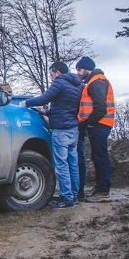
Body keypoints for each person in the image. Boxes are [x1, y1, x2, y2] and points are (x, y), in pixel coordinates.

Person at [19, 62, 83, 209]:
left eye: (51, 74)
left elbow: (44, 98)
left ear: (57, 72)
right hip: (73, 128)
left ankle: (66, 199)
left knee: (62, 165)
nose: (52, 77)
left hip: (60, 129)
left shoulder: (60, 83)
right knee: (73, 164)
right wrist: (46, 112)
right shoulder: (77, 85)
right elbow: (64, 107)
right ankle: (74, 195)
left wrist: (26, 103)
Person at [76, 56, 115, 203]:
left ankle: (103, 191)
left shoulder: (97, 81)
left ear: (86, 68)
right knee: (98, 156)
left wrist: (90, 123)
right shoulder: (96, 81)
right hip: (100, 124)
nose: (78, 73)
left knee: (100, 157)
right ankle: (100, 188)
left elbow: (100, 107)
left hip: (99, 125)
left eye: (79, 69)